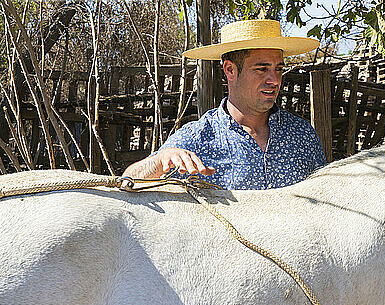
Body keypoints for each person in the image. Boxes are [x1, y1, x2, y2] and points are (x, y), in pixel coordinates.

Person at [123, 19, 327, 190]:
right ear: (230, 70)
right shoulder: (197, 137)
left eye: (278, 69)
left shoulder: (303, 135)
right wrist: (159, 161)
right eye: (262, 69)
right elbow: (128, 182)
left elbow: (325, 197)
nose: (274, 80)